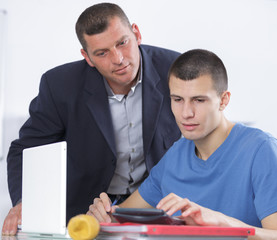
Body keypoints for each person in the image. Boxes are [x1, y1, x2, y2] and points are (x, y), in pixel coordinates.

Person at [2, 3, 181, 236]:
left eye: (122, 43)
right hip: (84, 212)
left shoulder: (175, 70)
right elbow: (25, 149)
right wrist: (24, 202)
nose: (118, 59)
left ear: (136, 34)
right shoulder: (59, 85)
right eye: (102, 53)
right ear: (87, 57)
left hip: (160, 207)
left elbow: (203, 139)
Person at [87, 49, 277, 240]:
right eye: (178, 99)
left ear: (224, 100)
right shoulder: (175, 155)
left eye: (199, 100)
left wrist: (221, 222)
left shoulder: (262, 150)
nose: (186, 113)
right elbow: (122, 218)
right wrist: (104, 215)